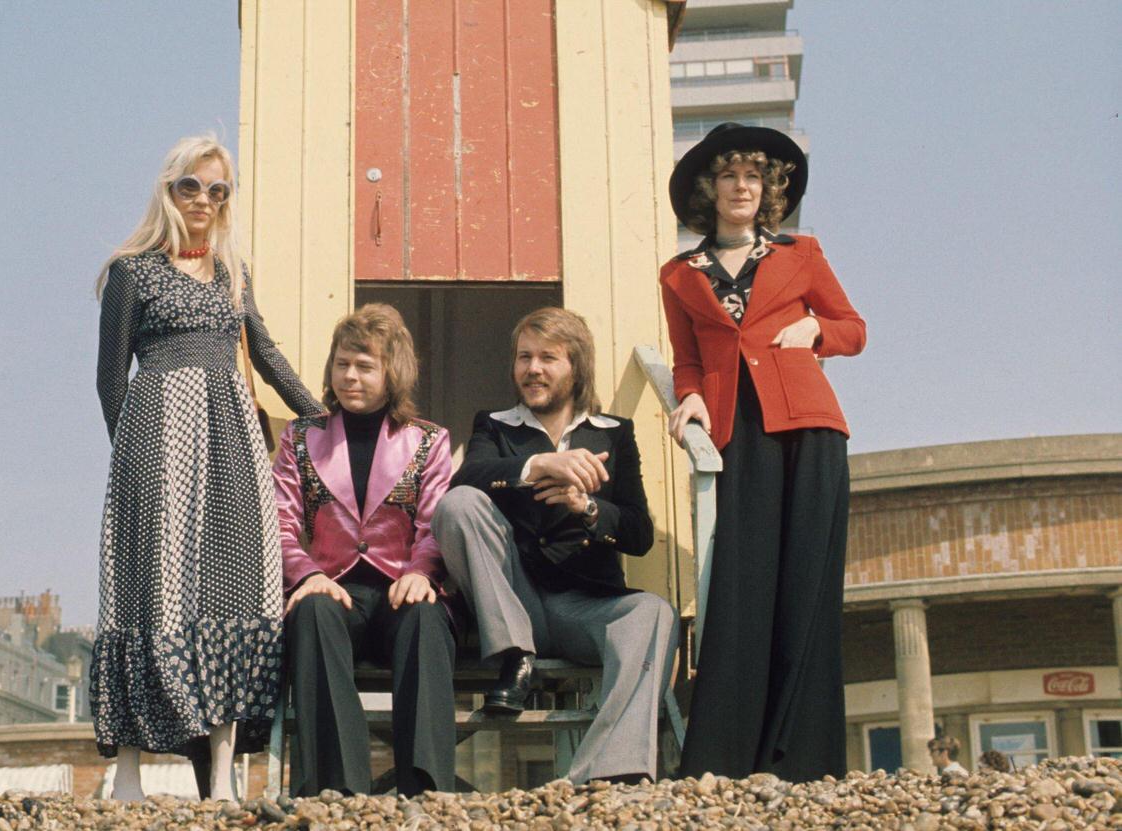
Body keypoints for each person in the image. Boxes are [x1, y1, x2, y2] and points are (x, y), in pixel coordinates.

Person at [91, 135, 323, 801]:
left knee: (231, 588)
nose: (203, 200)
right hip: (154, 440)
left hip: (229, 441)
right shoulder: (131, 273)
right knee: (144, 590)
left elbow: (268, 355)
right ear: (170, 189)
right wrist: (129, 458)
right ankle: (128, 770)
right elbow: (110, 380)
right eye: (192, 186)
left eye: (217, 190)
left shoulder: (232, 272)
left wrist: (324, 423)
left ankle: (222, 774)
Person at [661, 122, 866, 783]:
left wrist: (816, 328)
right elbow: (687, 359)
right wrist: (689, 396)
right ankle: (724, 757)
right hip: (734, 431)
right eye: (729, 176)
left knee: (806, 584)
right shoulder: (680, 276)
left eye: (754, 176)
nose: (741, 186)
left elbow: (853, 328)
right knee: (741, 586)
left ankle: (807, 760)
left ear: (769, 190)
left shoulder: (801, 253)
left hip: (808, 426)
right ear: (708, 189)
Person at [432, 307, 680, 785]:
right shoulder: (494, 425)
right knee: (458, 503)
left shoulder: (614, 433)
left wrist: (584, 506)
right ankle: (515, 655)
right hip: (511, 602)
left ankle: (610, 774)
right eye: (524, 357)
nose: (533, 369)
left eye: (548, 357)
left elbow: (638, 534)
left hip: (581, 606)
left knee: (654, 612)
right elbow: (467, 477)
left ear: (577, 367)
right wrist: (538, 464)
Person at [273, 304, 456, 797]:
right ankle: (338, 791)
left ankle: (426, 787)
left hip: (403, 587)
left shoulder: (430, 439)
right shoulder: (300, 436)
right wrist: (308, 575)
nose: (350, 376)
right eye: (342, 364)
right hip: (335, 591)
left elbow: (436, 522)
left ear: (391, 372)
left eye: (365, 366)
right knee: (310, 612)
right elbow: (281, 523)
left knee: (425, 614)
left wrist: (422, 571)